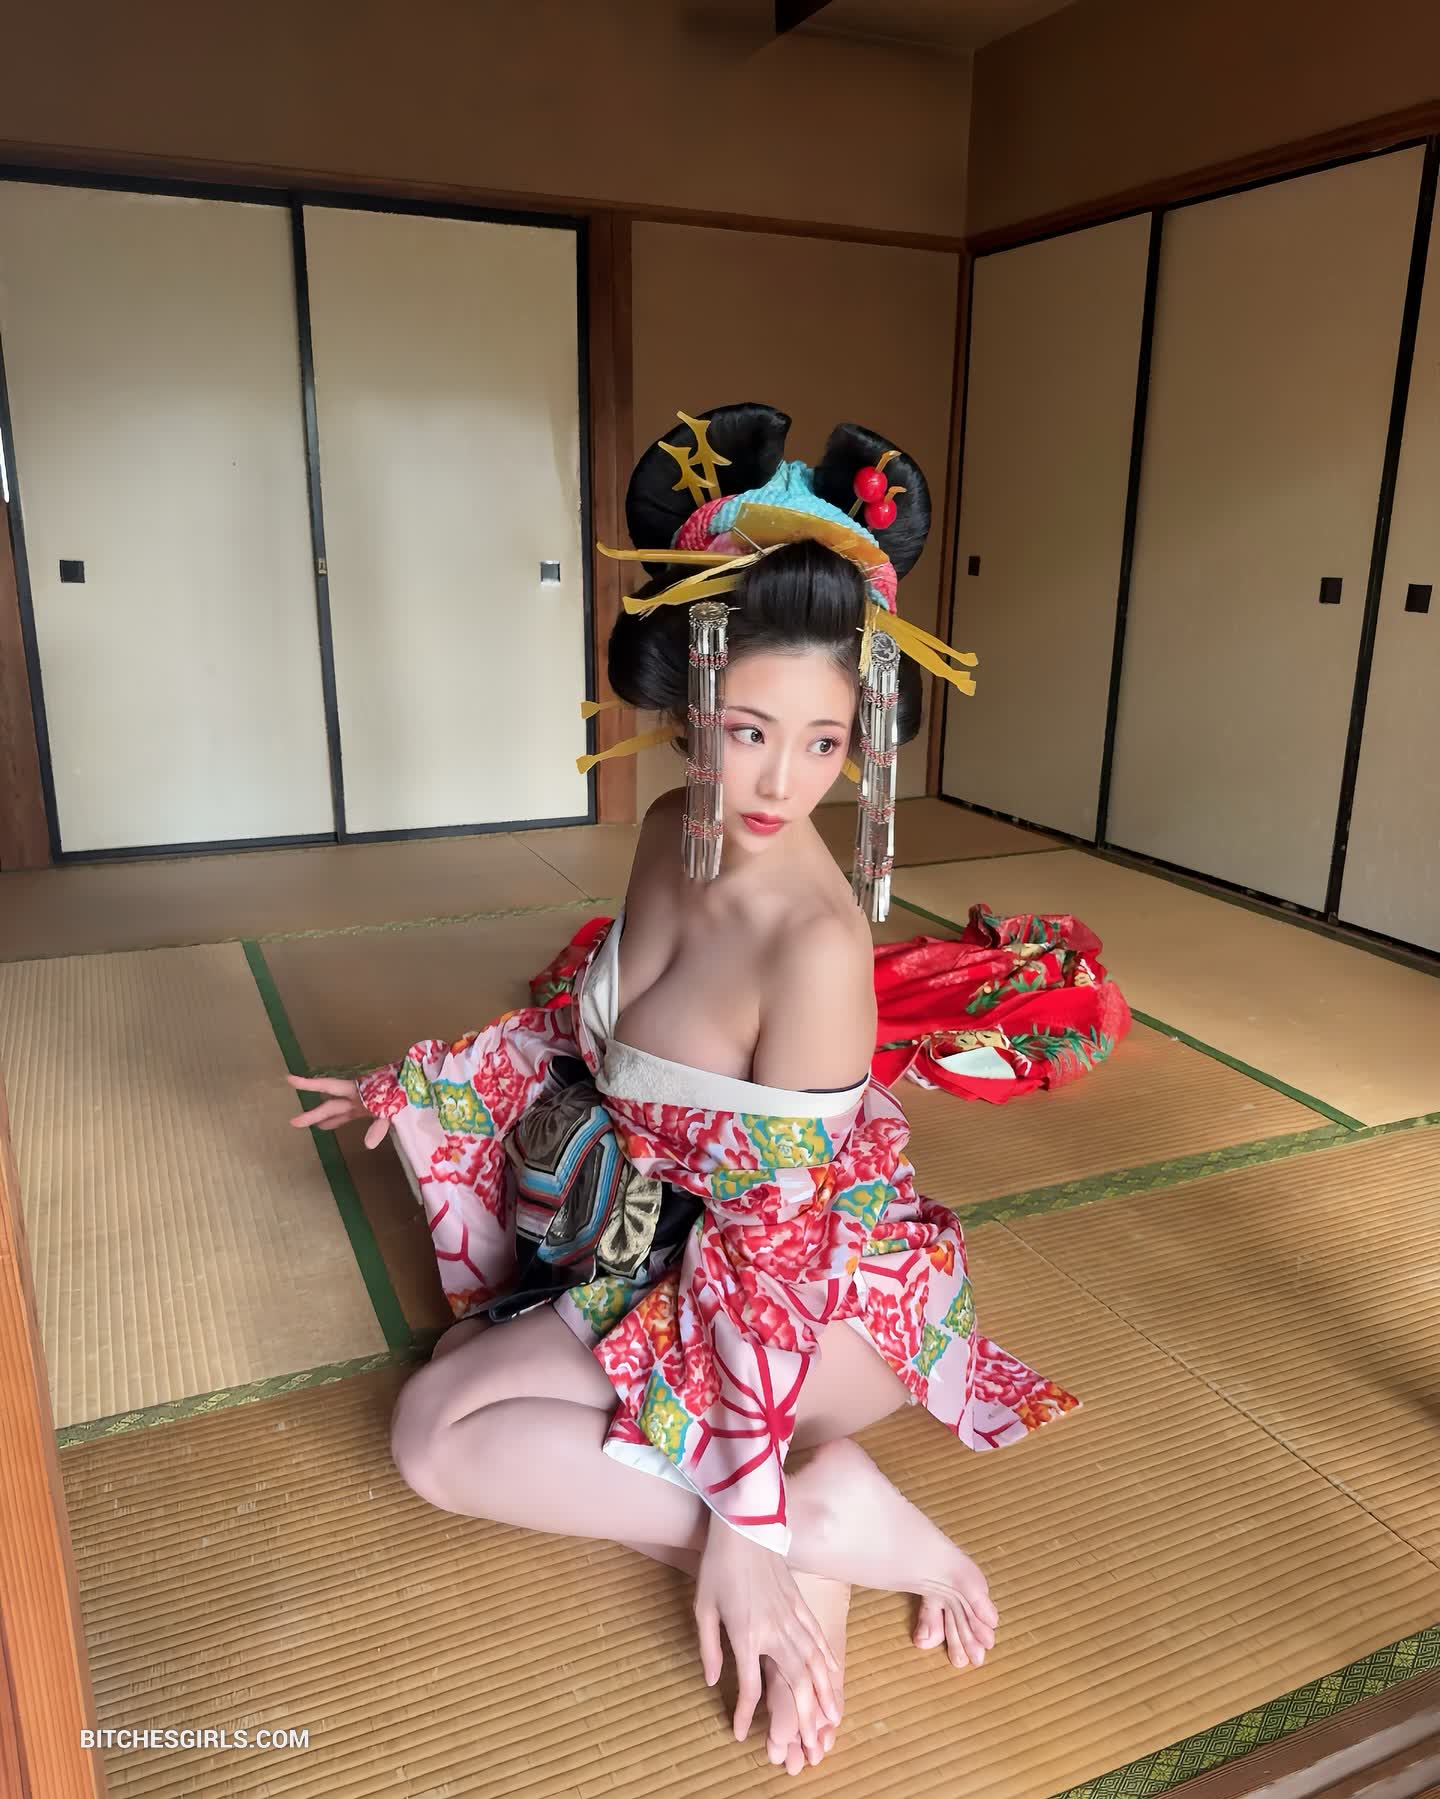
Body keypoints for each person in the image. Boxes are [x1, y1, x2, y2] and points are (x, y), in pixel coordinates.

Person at [287, 403, 1079, 1776]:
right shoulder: (673, 828)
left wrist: (744, 1527)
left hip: (811, 1295)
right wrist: (416, 1086)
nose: (782, 782)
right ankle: (825, 1523)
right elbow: (592, 1038)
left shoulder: (817, 947)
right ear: (687, 699)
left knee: (437, 1437)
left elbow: (777, 1248)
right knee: (448, 1397)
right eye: (750, 730)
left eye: (825, 744)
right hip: (660, 1240)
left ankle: (807, 1525)